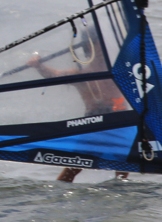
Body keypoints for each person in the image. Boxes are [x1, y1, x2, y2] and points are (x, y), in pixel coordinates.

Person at [27, 24, 130, 183]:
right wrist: (38, 65)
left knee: (125, 165)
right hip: (94, 121)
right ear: (90, 46)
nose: (103, 47)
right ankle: (59, 194)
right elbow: (54, 76)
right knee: (73, 169)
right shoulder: (81, 73)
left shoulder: (120, 70)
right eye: (98, 43)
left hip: (119, 119)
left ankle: (122, 188)